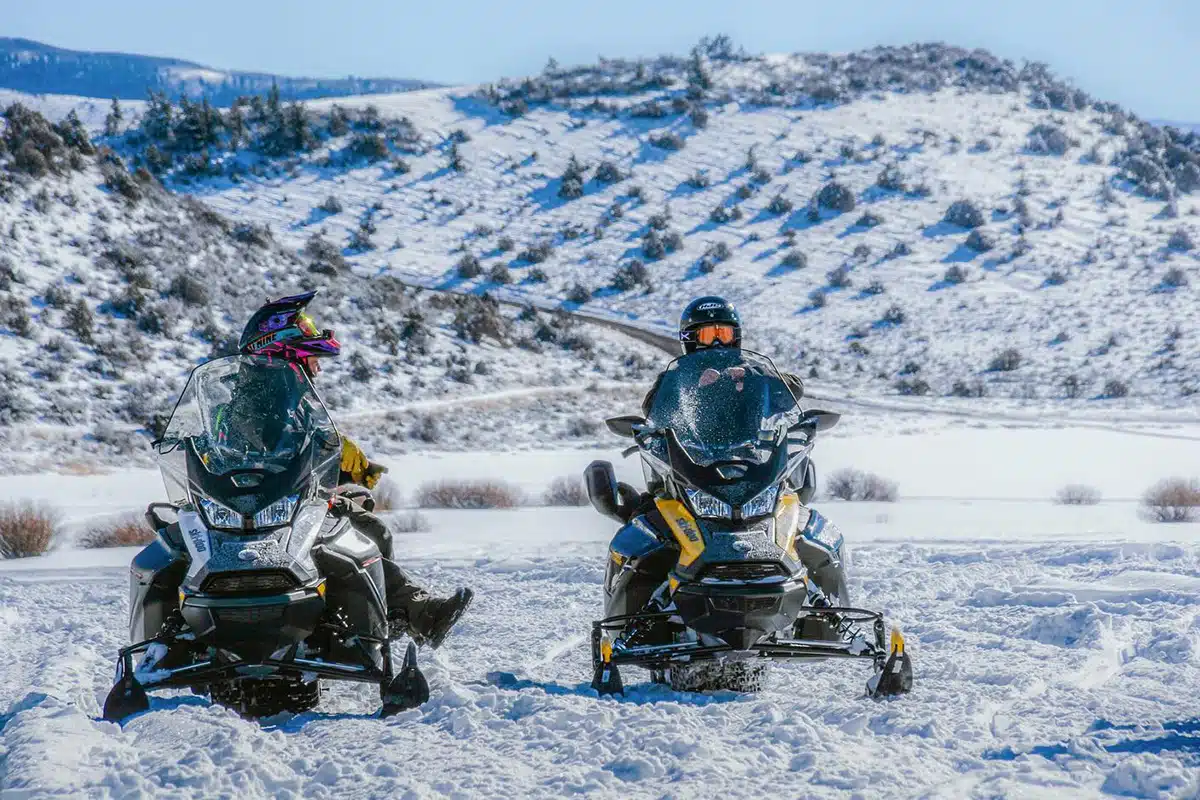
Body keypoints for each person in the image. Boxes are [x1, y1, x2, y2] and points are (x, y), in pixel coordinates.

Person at [238, 290, 472, 648]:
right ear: (284, 351)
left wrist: (342, 466)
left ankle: (381, 617)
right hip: (267, 516)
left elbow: (298, 450)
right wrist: (330, 456)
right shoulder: (261, 400)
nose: (317, 366)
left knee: (369, 522)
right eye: (311, 358)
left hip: (288, 505)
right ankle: (414, 613)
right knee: (359, 536)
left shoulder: (280, 395)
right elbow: (269, 457)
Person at [617, 296, 846, 610]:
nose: (714, 344)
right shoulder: (676, 379)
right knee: (648, 519)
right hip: (689, 463)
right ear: (689, 341)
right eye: (705, 336)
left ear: (736, 337)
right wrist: (695, 385)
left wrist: (753, 378)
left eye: (722, 334)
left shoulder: (750, 371)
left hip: (752, 462)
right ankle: (637, 608)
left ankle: (823, 604)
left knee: (799, 516)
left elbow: (790, 389)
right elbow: (653, 408)